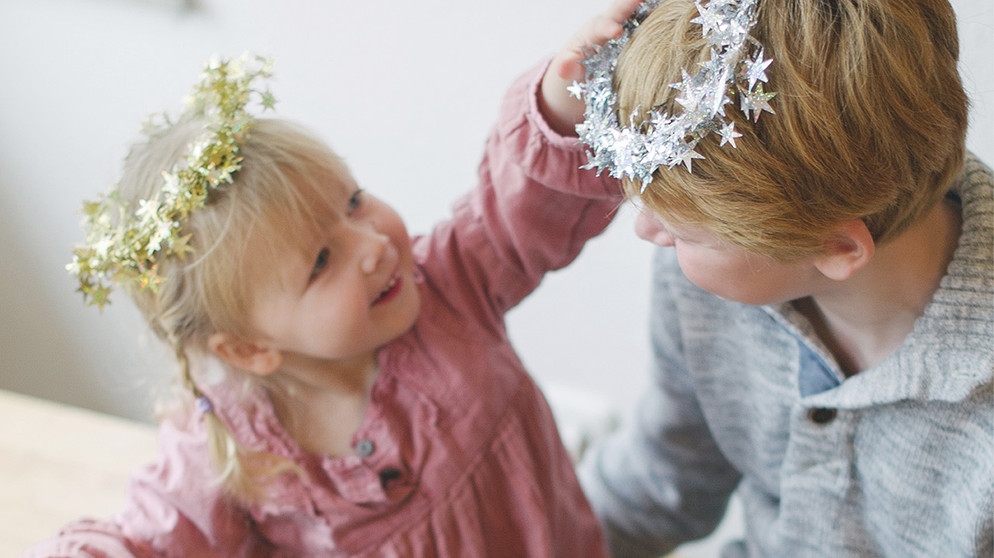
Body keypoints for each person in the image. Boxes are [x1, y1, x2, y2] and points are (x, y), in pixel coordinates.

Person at [23, 2, 639, 551]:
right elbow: (149, 537)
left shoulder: (447, 285)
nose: (371, 245)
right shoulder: (227, 446)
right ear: (247, 346)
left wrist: (566, 100)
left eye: (354, 201)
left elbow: (513, 207)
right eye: (321, 261)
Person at [571, 0, 993, 556]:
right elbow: (664, 478)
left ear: (836, 247)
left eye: (688, 234)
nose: (649, 231)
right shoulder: (702, 288)